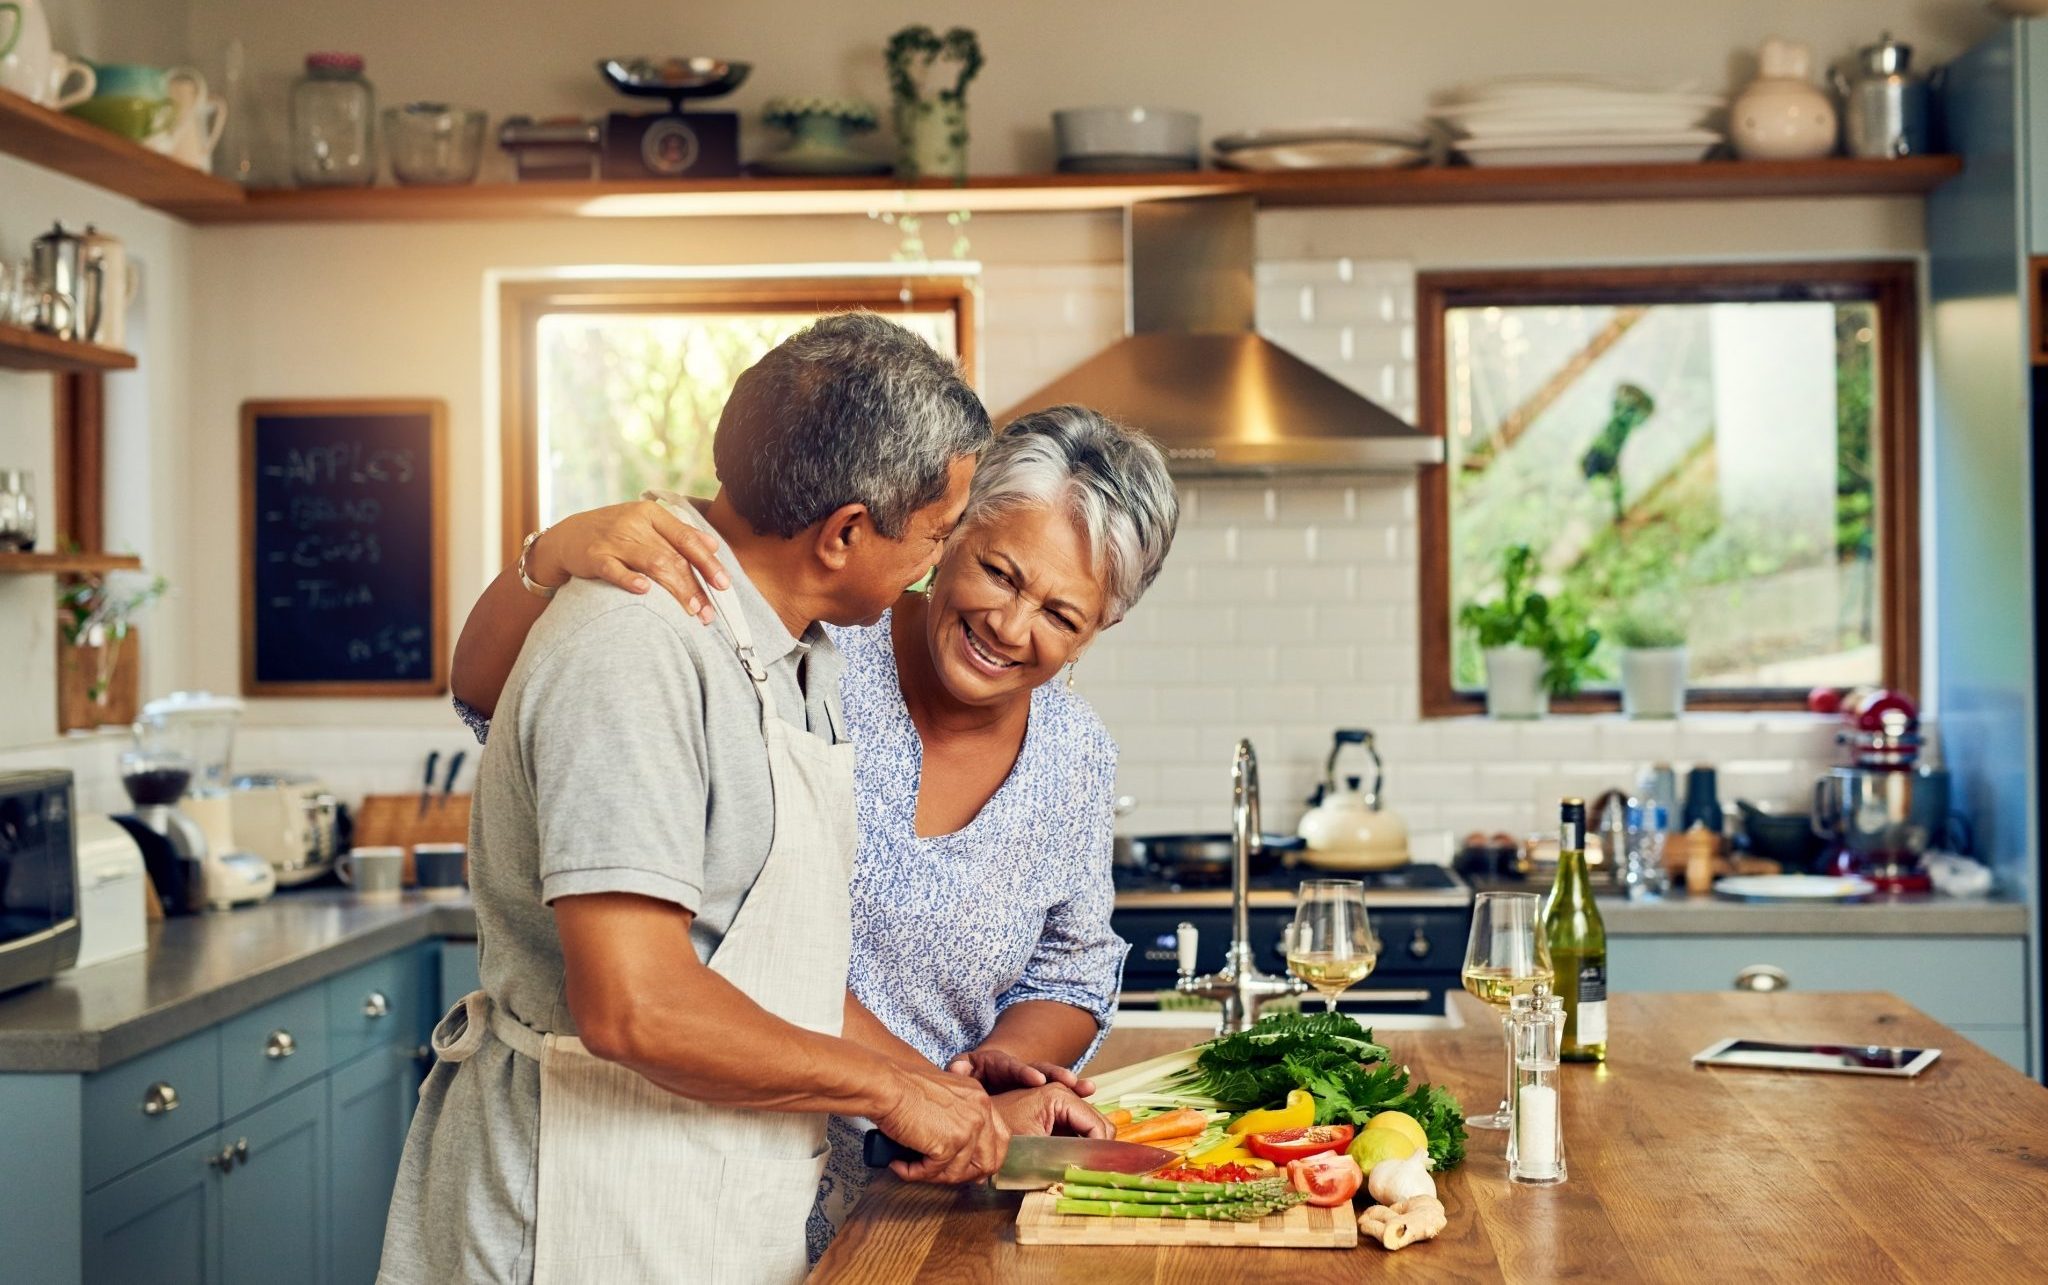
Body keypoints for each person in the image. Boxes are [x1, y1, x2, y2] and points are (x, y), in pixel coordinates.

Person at [379, 313, 1043, 1285]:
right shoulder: (635, 646)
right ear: (845, 531)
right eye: (937, 539)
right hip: (574, 1208)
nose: (934, 570)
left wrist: (949, 1097)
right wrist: (885, 1093)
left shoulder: (794, 643)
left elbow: (770, 971)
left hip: (696, 1191)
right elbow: (636, 1005)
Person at [449, 404, 1182, 1261]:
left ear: (1101, 630)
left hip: (930, 1167)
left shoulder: (1076, 752)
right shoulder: (813, 643)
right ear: (950, 531)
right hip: (704, 1145)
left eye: (1063, 615)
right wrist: (550, 555)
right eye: (1000, 573)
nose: (1012, 627)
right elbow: (499, 689)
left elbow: (1073, 963)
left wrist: (974, 1082)